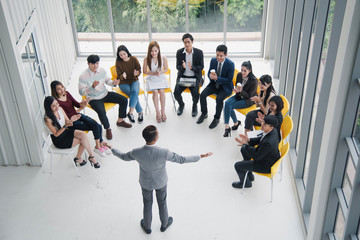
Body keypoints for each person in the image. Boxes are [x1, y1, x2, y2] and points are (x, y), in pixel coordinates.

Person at [110, 125, 213, 234]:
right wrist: (201, 156)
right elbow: (182, 159)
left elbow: (123, 156)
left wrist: (112, 148)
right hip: (161, 182)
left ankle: (147, 226)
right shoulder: (164, 152)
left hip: (145, 183)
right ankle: (164, 224)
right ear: (155, 139)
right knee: (162, 202)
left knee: (147, 204)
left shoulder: (136, 152)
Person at [50, 80, 111, 157]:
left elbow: (77, 104)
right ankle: (97, 147)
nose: (62, 89)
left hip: (78, 115)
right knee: (95, 126)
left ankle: (100, 143)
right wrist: (72, 118)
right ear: (55, 91)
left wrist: (82, 103)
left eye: (62, 86)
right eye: (59, 89)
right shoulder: (57, 103)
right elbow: (63, 118)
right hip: (72, 122)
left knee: (98, 125)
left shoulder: (67, 93)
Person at [79, 54, 132, 141]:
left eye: (97, 63)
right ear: (88, 64)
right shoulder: (83, 76)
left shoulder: (102, 70)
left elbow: (108, 81)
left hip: (105, 93)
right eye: (93, 64)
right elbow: (81, 92)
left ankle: (120, 121)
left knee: (124, 100)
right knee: (101, 111)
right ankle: (107, 128)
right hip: (93, 98)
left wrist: (114, 83)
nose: (95, 66)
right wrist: (91, 87)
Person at [43, 96, 100, 168]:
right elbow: (56, 134)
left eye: (57, 103)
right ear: (49, 107)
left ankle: (90, 157)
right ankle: (80, 158)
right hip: (59, 140)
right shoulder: (47, 119)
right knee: (83, 140)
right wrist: (66, 125)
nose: (57, 107)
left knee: (83, 135)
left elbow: (68, 121)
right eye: (53, 106)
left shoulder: (60, 109)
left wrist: (72, 119)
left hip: (65, 131)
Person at [232, 115, 280, 188]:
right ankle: (249, 173)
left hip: (265, 165)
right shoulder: (273, 131)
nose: (262, 125)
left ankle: (246, 183)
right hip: (265, 155)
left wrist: (245, 144)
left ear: (271, 127)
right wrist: (249, 140)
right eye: (263, 122)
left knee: (237, 165)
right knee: (244, 149)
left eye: (265, 124)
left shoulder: (268, 142)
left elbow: (257, 157)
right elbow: (261, 138)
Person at [197, 44, 235, 129]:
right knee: (202, 95)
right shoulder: (213, 60)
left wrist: (217, 78)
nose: (218, 57)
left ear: (226, 55)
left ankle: (217, 118)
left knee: (219, 99)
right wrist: (210, 76)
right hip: (214, 84)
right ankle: (204, 113)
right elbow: (208, 72)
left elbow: (229, 79)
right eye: (217, 55)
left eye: (221, 56)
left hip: (225, 87)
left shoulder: (231, 64)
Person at [223, 61, 258, 137]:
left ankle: (234, 124)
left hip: (248, 100)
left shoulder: (254, 81)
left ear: (250, 70)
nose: (242, 72)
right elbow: (237, 85)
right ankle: (228, 126)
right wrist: (237, 90)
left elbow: (249, 96)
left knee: (229, 106)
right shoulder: (239, 75)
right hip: (239, 95)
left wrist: (241, 91)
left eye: (245, 70)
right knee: (227, 103)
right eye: (241, 70)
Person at [174, 33, 204, 117]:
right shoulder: (179, 52)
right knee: (176, 93)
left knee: (195, 94)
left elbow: (201, 66)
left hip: (194, 77)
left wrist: (192, 68)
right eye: (185, 42)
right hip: (183, 77)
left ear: (192, 42)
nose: (187, 44)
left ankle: (194, 106)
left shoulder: (199, 52)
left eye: (188, 42)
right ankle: (181, 104)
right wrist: (183, 67)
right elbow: (177, 66)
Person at [115, 45, 144, 123]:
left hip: (134, 80)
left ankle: (130, 112)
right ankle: (140, 112)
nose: (123, 56)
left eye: (124, 54)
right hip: (123, 83)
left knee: (134, 92)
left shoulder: (133, 59)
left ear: (127, 52)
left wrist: (137, 73)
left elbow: (139, 69)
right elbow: (118, 75)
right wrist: (122, 76)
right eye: (120, 55)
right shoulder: (118, 62)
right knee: (133, 94)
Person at [143, 41, 169, 123]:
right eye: (151, 51)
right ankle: (157, 112)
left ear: (158, 50)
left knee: (161, 91)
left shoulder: (163, 58)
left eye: (155, 51)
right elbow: (144, 71)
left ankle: (163, 111)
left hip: (160, 77)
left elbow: (166, 69)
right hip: (151, 77)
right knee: (155, 91)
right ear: (149, 51)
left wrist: (159, 72)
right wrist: (153, 73)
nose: (153, 53)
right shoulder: (146, 59)